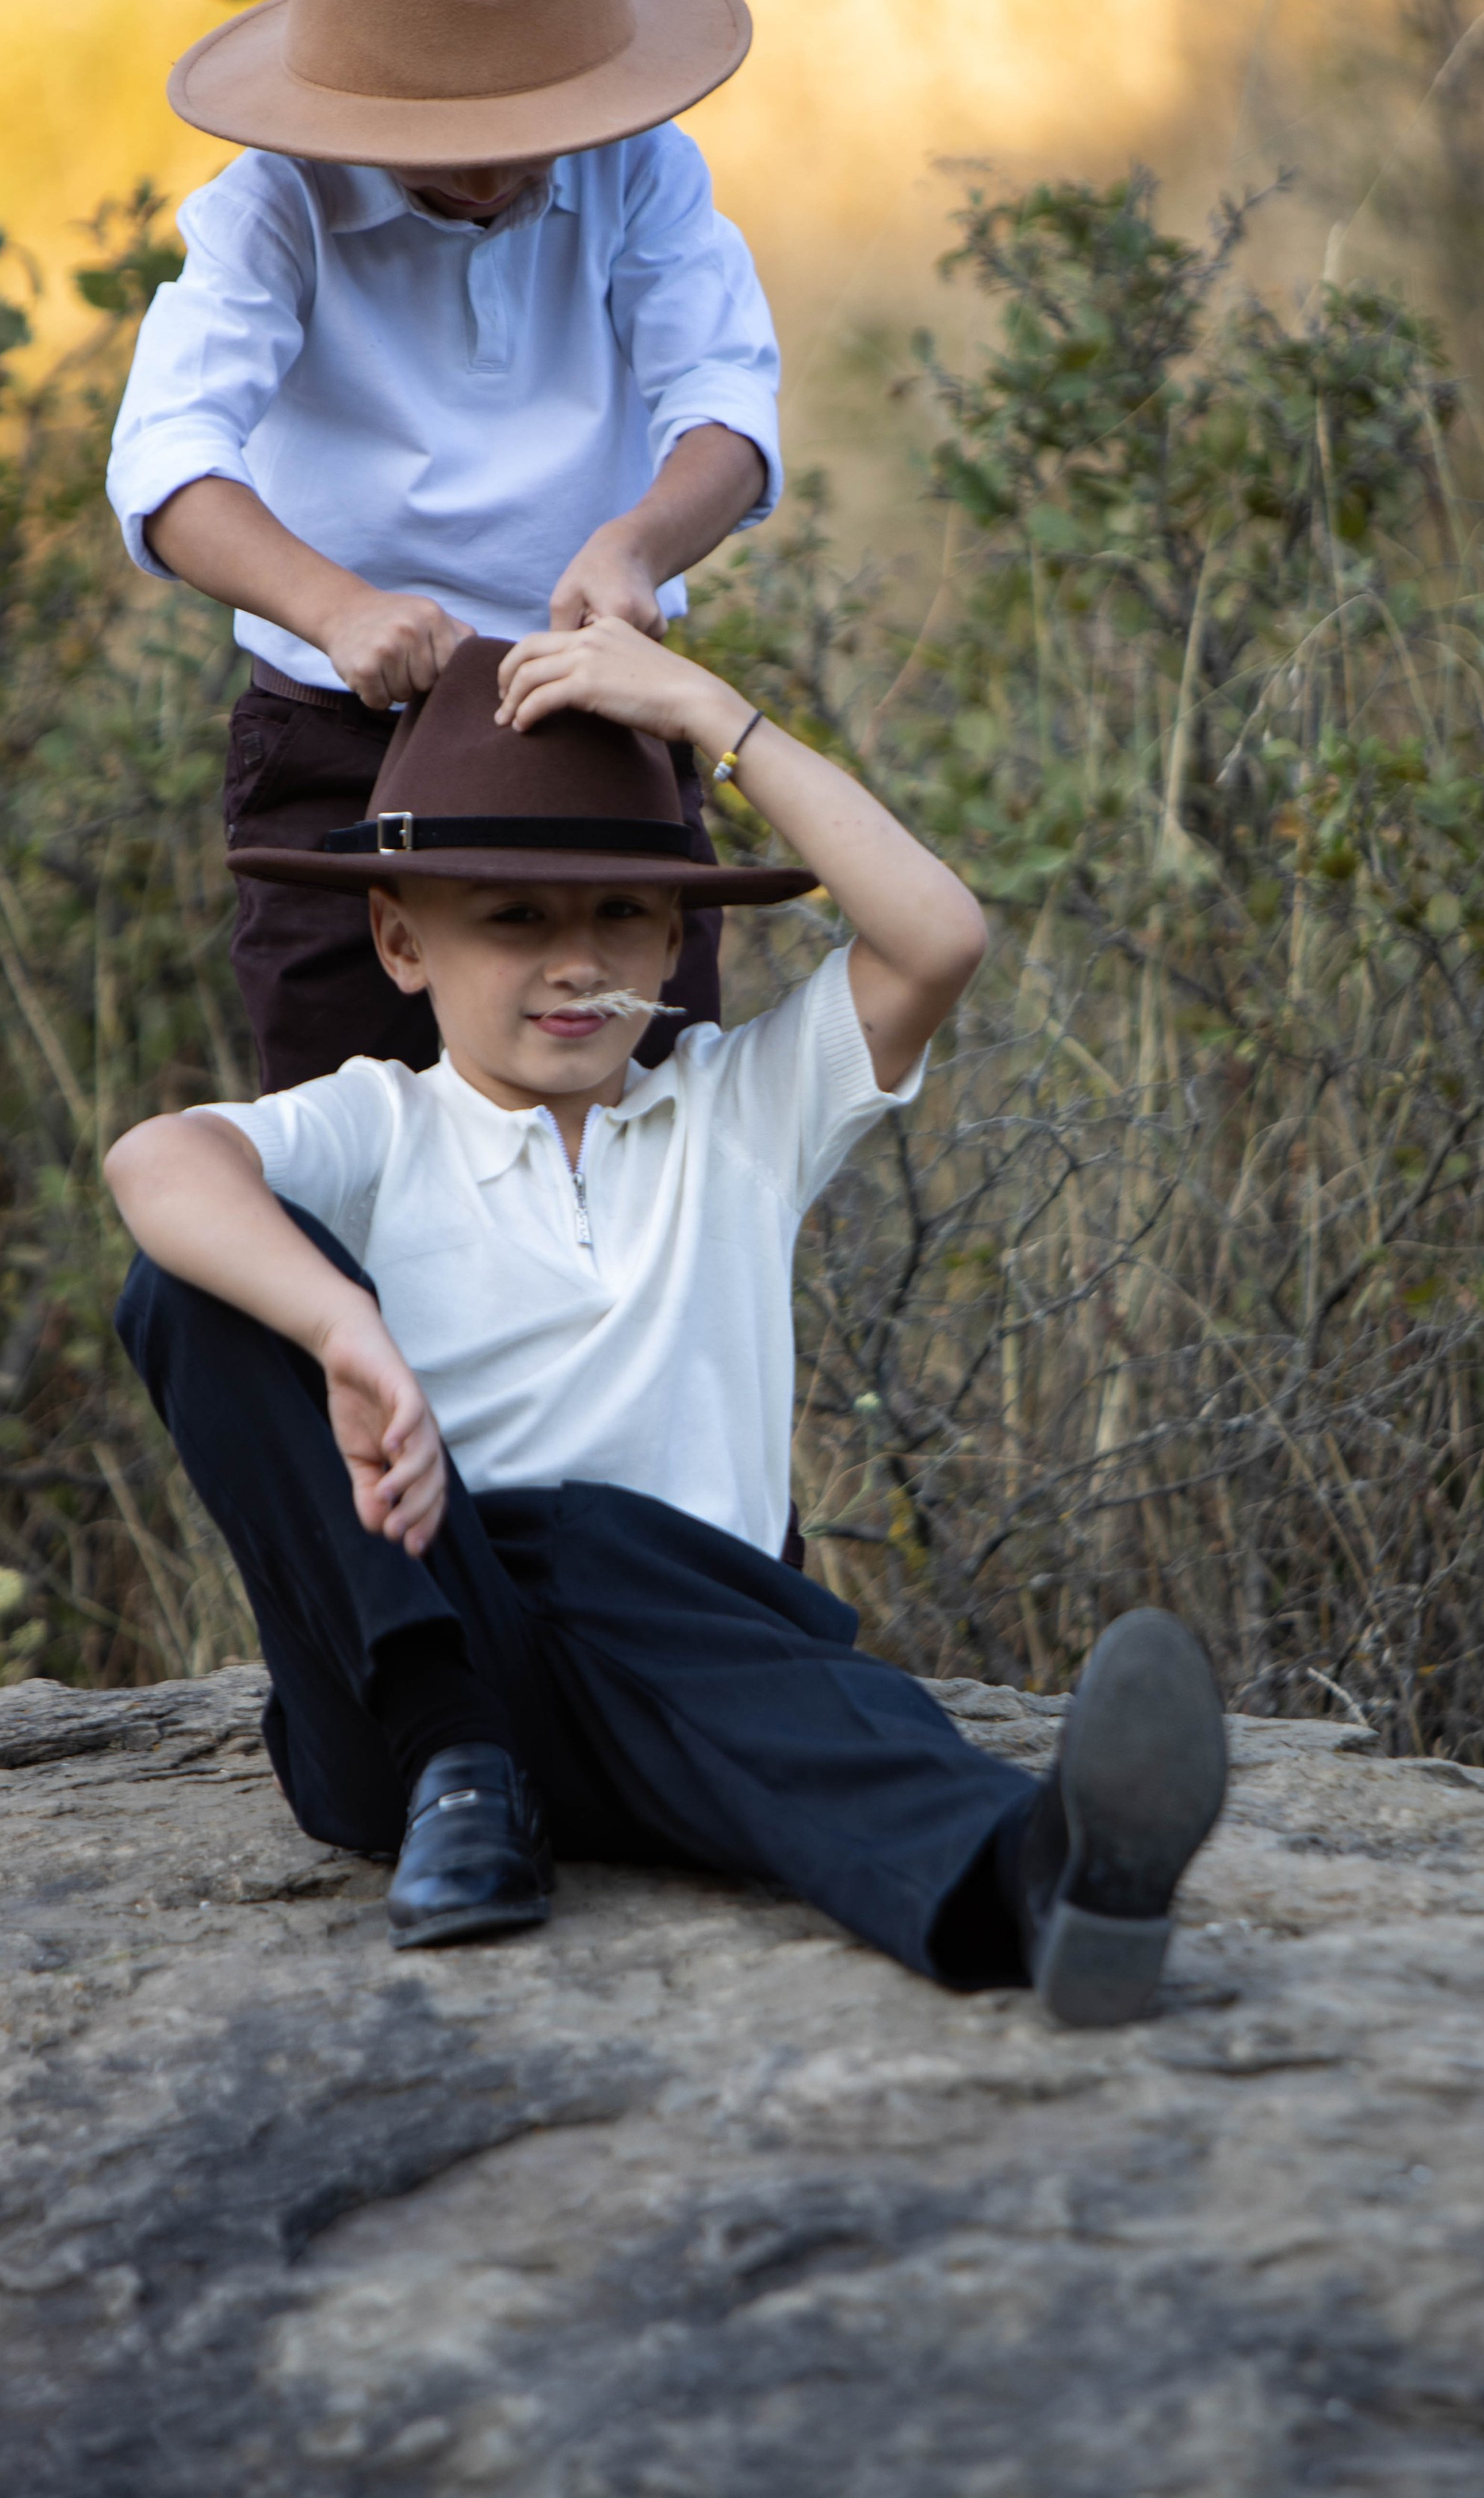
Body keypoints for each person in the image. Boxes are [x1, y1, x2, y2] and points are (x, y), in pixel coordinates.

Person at [104, 625, 1228, 2027]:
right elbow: (157, 1163)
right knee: (192, 1283)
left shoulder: (735, 1110)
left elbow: (937, 933)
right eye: (513, 921)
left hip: (690, 1657)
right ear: (399, 938)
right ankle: (466, 1760)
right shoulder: (380, 1126)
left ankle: (1055, 1885)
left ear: (679, 936)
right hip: (418, 1689)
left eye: (624, 915)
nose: (578, 964)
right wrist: (343, 1325)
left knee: (805, 1688)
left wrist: (713, 715)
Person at [107, 0, 781, 1092]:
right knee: (357, 1130)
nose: (481, 173)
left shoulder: (646, 172)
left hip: (595, 710)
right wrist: (337, 607)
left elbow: (728, 410)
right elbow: (170, 458)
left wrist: (637, 544)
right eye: (439, 140)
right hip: (339, 731)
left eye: (518, 131)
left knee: (639, 1115)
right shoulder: (273, 206)